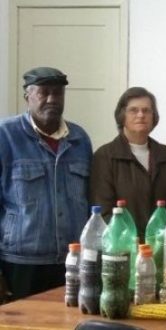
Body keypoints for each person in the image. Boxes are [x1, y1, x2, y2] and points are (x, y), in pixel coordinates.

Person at [0, 67, 92, 301]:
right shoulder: (6, 136)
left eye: (58, 93)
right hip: (20, 264)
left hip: (72, 261)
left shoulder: (79, 139)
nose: (52, 99)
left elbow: (89, 200)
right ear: (27, 96)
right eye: (44, 92)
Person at [90, 87, 166, 239]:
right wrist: (132, 243)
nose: (141, 115)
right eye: (133, 110)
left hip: (165, 249)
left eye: (146, 110)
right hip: (123, 249)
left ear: (153, 116)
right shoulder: (105, 157)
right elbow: (103, 212)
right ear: (122, 115)